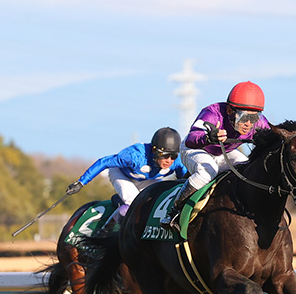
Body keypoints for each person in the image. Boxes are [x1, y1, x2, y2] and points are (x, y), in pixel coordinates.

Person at [164, 81, 271, 232]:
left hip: (223, 152)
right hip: (196, 149)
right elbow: (191, 137)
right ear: (229, 110)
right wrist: (208, 138)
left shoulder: (259, 123)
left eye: (253, 118)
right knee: (208, 170)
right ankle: (174, 211)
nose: (248, 124)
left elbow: (274, 137)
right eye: (243, 117)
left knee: (247, 168)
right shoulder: (212, 112)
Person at [66, 127, 187, 232]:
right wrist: (81, 182)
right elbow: (104, 162)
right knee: (133, 202)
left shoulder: (177, 163)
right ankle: (105, 231)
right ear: (154, 150)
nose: (169, 160)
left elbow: (185, 180)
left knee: (158, 202)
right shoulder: (134, 156)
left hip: (148, 179)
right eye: (165, 155)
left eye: (173, 156)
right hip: (121, 174)